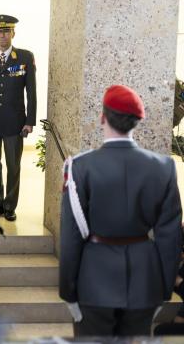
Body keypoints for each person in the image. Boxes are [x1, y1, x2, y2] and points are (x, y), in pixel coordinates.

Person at [59, 84, 182, 337]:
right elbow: (170, 239)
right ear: (137, 122)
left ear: (103, 117)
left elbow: (71, 238)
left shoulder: (80, 167)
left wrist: (68, 292)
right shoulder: (163, 167)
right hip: (144, 284)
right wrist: (162, 292)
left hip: (94, 281)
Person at [0, 15, 36, 221]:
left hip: (14, 122)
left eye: (6, 31)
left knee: (13, 165)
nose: (2, 35)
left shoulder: (25, 57)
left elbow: (32, 92)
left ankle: (10, 205)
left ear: (13, 33)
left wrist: (30, 121)